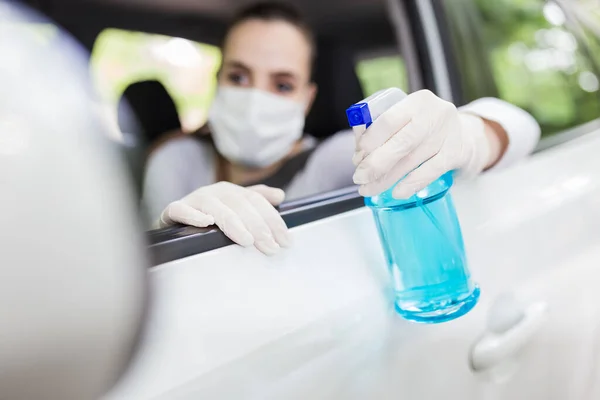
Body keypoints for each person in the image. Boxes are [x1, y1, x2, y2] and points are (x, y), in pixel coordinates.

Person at [143, 2, 541, 255]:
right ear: (218, 81)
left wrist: (470, 135)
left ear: (307, 98)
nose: (255, 98)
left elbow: (521, 127)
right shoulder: (175, 160)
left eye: (282, 84)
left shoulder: (340, 157)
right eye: (239, 76)